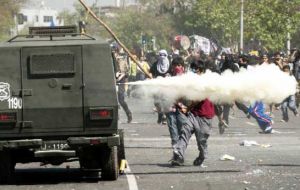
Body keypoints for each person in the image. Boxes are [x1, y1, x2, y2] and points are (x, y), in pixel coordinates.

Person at [171, 60, 215, 166]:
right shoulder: (193, 80)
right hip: (193, 114)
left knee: (202, 141)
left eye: (194, 69)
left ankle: (202, 156)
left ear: (200, 70)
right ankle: (178, 155)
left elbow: (198, 98)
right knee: (184, 131)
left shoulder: (207, 81)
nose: (192, 72)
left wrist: (188, 108)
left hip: (205, 116)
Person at [166, 57, 187, 150]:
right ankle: (175, 145)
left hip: (182, 107)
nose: (177, 67)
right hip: (171, 106)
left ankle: (181, 144)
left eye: (179, 65)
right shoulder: (168, 77)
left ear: (183, 66)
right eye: (175, 65)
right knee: (172, 125)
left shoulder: (186, 77)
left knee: (182, 126)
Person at [150, 49, 171, 124]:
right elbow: (151, 72)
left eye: (164, 55)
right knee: (157, 102)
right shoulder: (155, 64)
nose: (162, 57)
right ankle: (160, 114)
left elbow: (173, 74)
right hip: (157, 86)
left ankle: (165, 117)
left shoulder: (170, 64)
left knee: (165, 101)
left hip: (166, 86)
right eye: (160, 55)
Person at [112, 48, 132, 123]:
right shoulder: (110, 61)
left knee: (121, 101)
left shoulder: (122, 61)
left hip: (120, 82)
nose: (114, 55)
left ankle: (129, 114)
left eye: (115, 53)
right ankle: (116, 117)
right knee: (113, 101)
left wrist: (119, 76)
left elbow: (126, 72)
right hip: (113, 82)